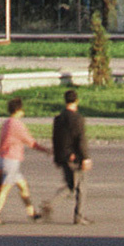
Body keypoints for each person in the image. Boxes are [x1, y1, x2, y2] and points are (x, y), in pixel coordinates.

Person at [0, 97, 50, 225]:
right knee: (5, 189)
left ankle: (32, 212)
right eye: (22, 109)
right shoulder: (17, 125)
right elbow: (31, 142)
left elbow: (1, 141)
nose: (23, 111)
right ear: (18, 110)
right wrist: (46, 150)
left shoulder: (6, 123)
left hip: (5, 159)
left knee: (23, 186)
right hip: (11, 161)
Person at [43, 89, 93, 224]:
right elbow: (80, 139)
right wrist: (85, 158)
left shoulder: (58, 118)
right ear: (76, 101)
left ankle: (51, 205)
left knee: (71, 185)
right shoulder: (78, 118)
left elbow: (55, 139)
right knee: (81, 187)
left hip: (63, 156)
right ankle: (78, 216)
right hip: (74, 157)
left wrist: (57, 157)